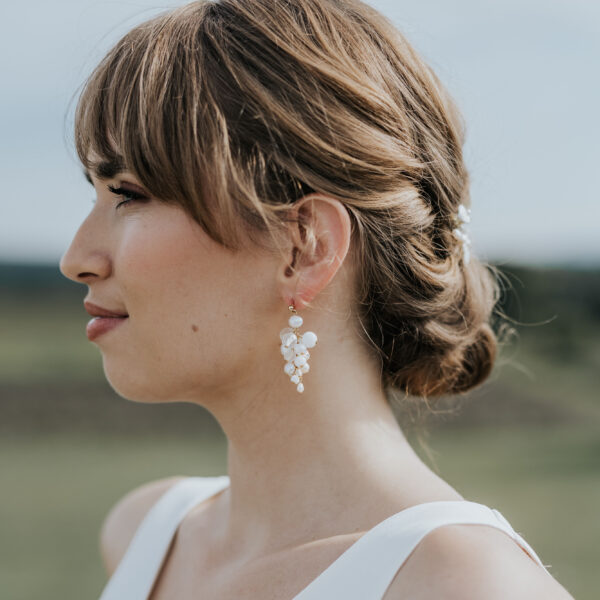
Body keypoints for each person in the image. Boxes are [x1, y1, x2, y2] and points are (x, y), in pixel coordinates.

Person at [59, 0, 574, 598]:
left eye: (129, 193)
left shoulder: (466, 585)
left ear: (306, 246)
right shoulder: (146, 533)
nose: (76, 258)